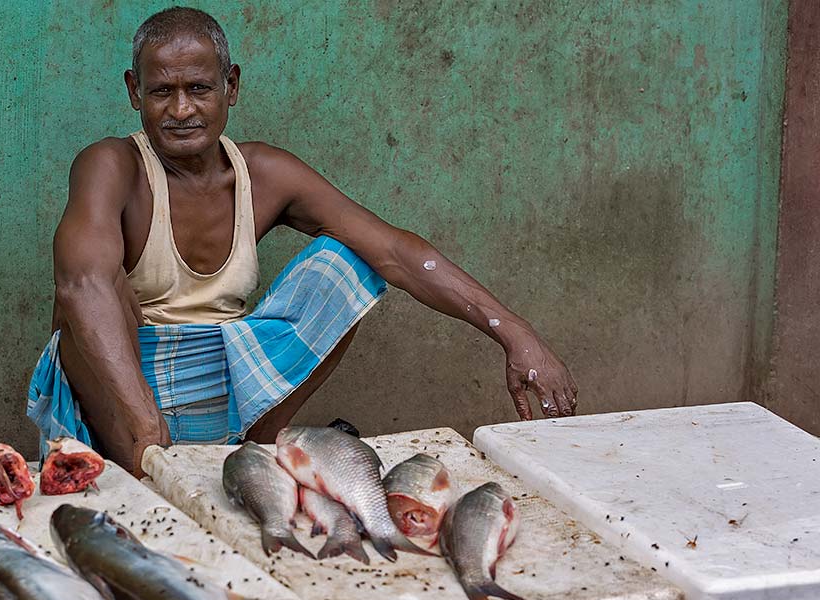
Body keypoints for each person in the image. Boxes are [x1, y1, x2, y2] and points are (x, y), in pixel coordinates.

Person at [28, 7, 577, 476]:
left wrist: (516, 334)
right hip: (121, 392)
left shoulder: (264, 174)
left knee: (348, 262)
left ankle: (249, 451)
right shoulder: (112, 164)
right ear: (133, 92)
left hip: (220, 383)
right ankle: (142, 462)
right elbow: (81, 282)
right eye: (161, 92)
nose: (181, 110)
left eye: (198, 88)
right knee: (95, 291)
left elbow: (397, 252)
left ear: (231, 87)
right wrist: (145, 427)